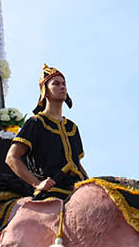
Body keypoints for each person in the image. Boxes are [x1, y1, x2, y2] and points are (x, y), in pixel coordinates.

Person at [5, 65, 88, 201]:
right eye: (56, 83)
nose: (62, 87)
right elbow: (11, 158)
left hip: (77, 191)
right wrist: (38, 184)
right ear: (45, 92)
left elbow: (76, 164)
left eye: (64, 84)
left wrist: (91, 183)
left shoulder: (72, 127)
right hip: (51, 193)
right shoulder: (36, 123)